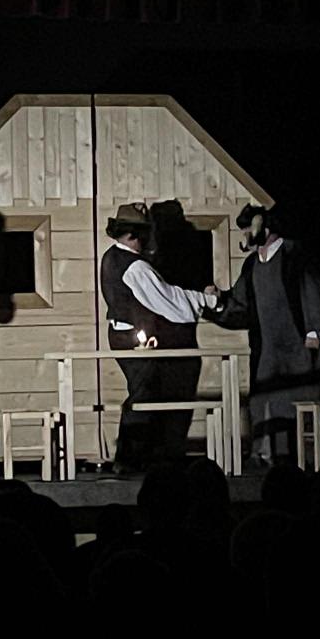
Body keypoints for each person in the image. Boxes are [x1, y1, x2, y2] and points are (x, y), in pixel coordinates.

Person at [205, 203, 320, 466]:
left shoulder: (294, 254)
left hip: (298, 344)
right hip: (268, 347)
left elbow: (312, 290)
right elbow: (240, 304)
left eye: (247, 229)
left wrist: (314, 331)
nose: (245, 236)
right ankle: (264, 456)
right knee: (263, 400)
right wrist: (218, 302)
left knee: (297, 398)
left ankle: (300, 460)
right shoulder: (252, 265)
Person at [100, 202, 218, 473]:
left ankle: (142, 456)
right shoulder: (135, 267)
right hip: (133, 338)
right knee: (143, 395)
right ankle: (129, 458)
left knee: (147, 393)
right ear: (135, 234)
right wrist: (206, 300)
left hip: (122, 334)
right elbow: (168, 300)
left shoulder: (112, 257)